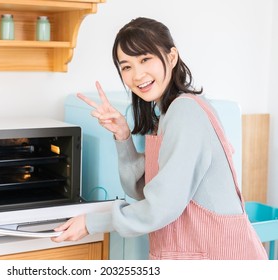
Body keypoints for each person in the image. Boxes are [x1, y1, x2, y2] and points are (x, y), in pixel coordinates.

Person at [51, 17, 268, 260]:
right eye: (126, 66)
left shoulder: (186, 112)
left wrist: (93, 222)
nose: (137, 74)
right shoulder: (165, 114)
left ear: (171, 57)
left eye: (145, 59)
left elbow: (161, 205)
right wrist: (123, 136)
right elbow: (143, 190)